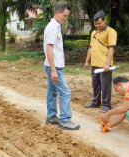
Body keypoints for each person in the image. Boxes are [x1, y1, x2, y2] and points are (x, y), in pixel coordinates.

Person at [43, 2, 80, 130]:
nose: (65, 18)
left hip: (52, 66)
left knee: (52, 92)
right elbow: (49, 49)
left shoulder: (56, 26)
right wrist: (54, 70)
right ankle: (65, 120)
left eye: (67, 16)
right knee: (65, 92)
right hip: (54, 67)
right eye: (64, 15)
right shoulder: (52, 27)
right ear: (57, 13)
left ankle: (51, 116)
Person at [84, 11, 117, 113]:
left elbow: (111, 48)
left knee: (105, 85)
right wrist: (87, 61)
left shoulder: (111, 32)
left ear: (104, 21)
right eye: (95, 24)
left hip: (104, 65)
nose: (97, 26)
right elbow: (90, 48)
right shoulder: (94, 33)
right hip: (95, 63)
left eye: (99, 23)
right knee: (96, 84)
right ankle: (96, 102)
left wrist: (107, 63)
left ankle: (107, 105)